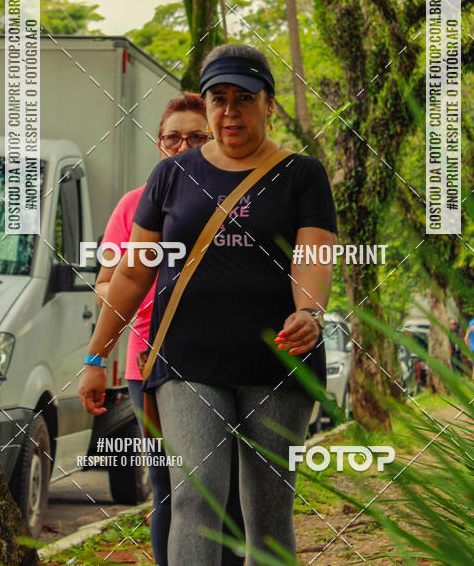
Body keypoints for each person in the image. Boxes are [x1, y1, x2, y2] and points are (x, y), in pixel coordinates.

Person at [79, 43, 337, 566]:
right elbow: (132, 272)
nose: (229, 112)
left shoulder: (303, 175)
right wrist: (94, 356)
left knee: (267, 512)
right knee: (196, 497)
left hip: (279, 363)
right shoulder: (170, 177)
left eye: (243, 98)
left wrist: (309, 312)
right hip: (187, 362)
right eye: (218, 99)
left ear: (268, 103)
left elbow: (312, 257)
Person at [94, 92, 244, 566]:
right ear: (159, 145)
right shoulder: (134, 205)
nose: (181, 147)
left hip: (229, 357)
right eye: (171, 138)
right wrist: (139, 290)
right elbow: (107, 282)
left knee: (233, 485)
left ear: (215, 138)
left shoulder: (240, 197)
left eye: (195, 137)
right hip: (150, 361)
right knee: (168, 482)